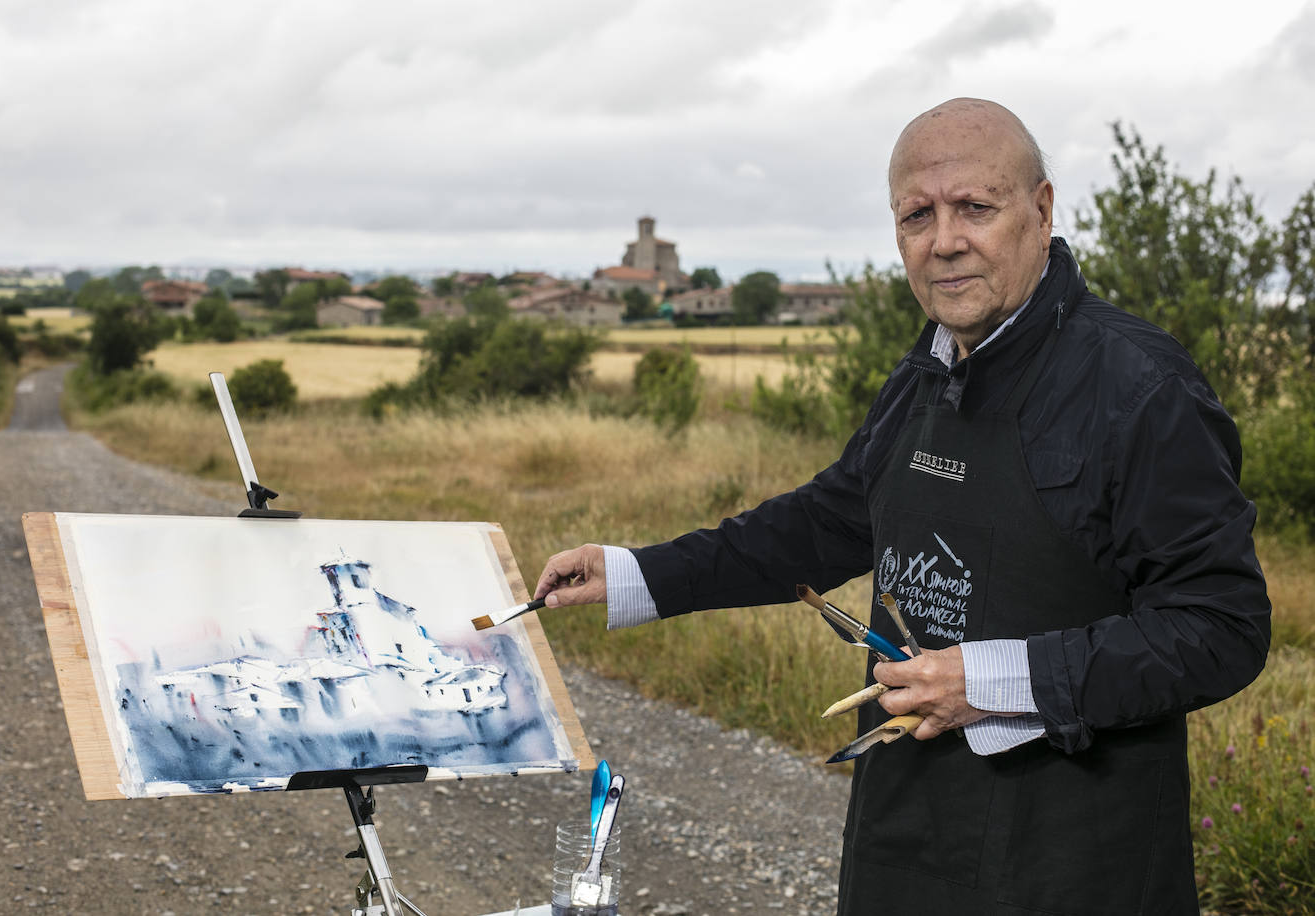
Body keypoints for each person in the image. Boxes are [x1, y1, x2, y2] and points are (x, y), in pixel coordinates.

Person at [534, 98, 1270, 915]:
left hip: (1075, 863)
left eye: (975, 208)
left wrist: (994, 681)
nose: (945, 240)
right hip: (904, 844)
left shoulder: (1140, 388)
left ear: (1042, 209)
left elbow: (1221, 627)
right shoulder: (925, 372)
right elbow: (827, 522)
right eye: (917, 215)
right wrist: (636, 573)